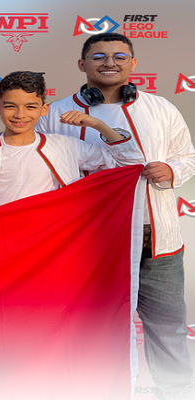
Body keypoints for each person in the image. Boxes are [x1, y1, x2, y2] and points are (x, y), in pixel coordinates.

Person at [37, 33, 195, 400]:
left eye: (120, 56)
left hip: (155, 236)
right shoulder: (55, 114)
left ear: (133, 64)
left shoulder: (160, 108)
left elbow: (187, 156)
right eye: (99, 57)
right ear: (82, 64)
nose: (110, 62)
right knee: (90, 326)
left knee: (168, 325)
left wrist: (171, 170)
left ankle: (177, 391)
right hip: (87, 241)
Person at [0, 71, 143, 212]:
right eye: (11, 106)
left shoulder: (65, 146)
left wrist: (98, 124)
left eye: (30, 107)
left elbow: (130, 162)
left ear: (44, 109)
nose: (20, 115)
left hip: (52, 243)